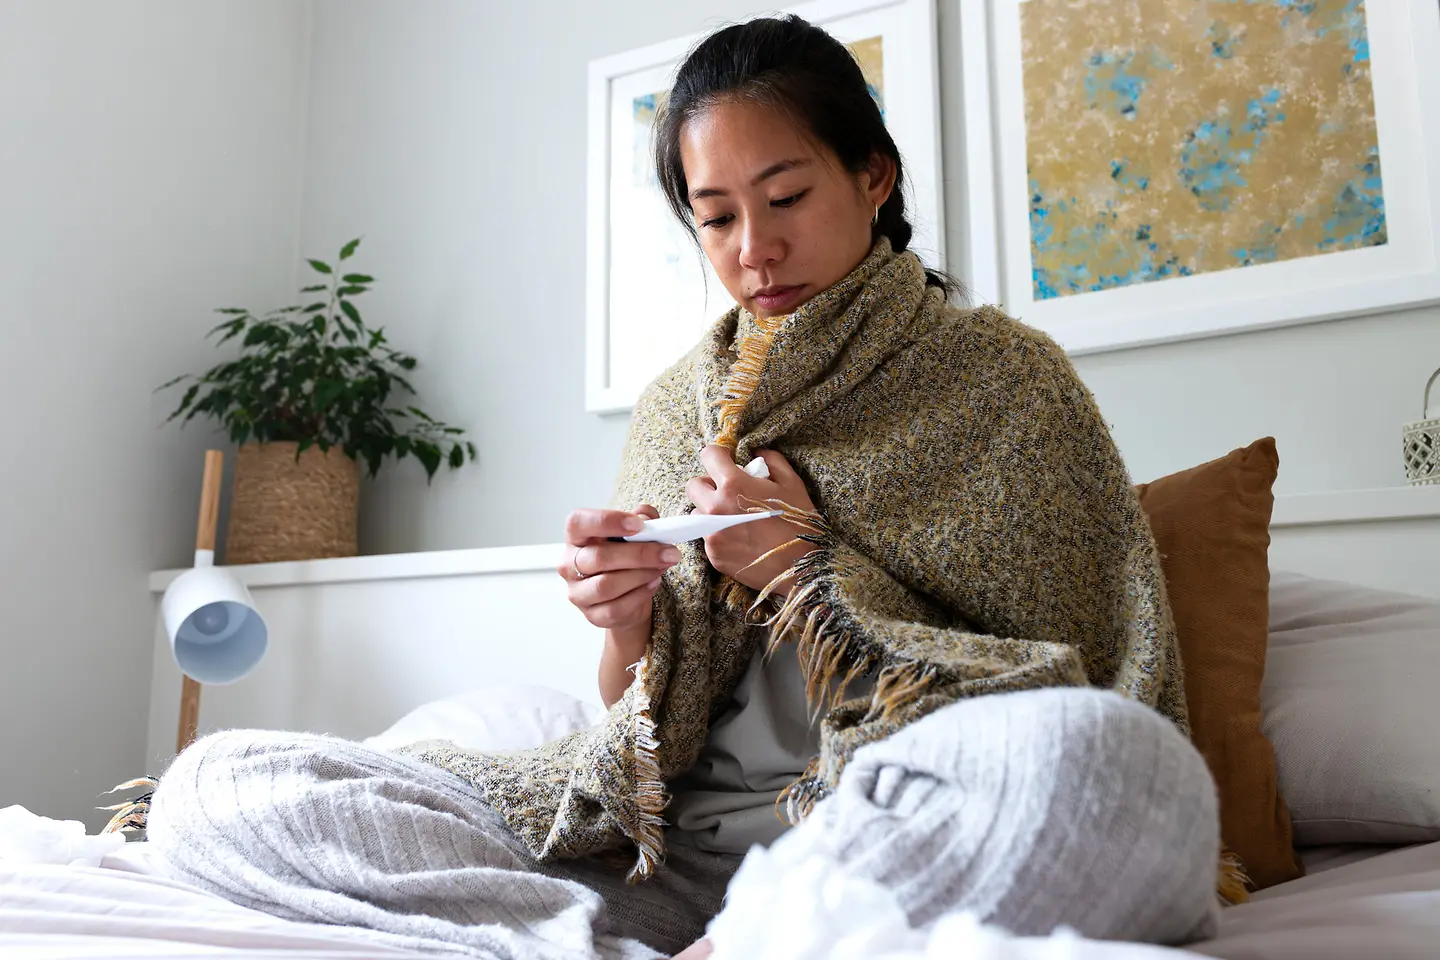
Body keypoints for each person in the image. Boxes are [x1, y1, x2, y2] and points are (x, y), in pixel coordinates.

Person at [144, 14, 1224, 960]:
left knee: (1122, 772)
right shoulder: (678, 408)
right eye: (715, 217)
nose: (755, 248)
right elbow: (639, 720)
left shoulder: (1003, 378)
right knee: (218, 784)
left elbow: (1069, 692)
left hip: (878, 847)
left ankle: (763, 933)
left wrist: (807, 570)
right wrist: (621, 626)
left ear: (873, 175)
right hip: (666, 867)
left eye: (787, 194)